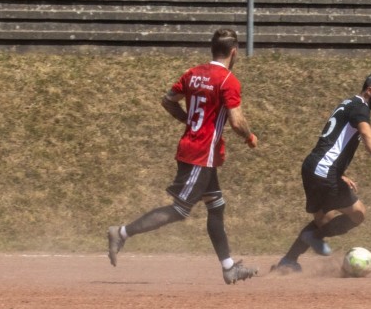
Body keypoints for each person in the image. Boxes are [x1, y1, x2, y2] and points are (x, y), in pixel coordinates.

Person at [107, 28, 259, 285]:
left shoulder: (193, 74)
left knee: (216, 206)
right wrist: (249, 136)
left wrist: (188, 121)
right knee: (179, 210)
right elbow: (236, 121)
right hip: (201, 155)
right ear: (234, 52)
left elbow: (168, 101)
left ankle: (229, 267)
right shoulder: (228, 81)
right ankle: (121, 232)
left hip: (197, 152)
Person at [271, 72, 371, 273]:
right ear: (370, 91)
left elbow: (333, 141)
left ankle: (288, 261)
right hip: (324, 171)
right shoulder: (360, 107)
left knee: (323, 221)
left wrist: (339, 174)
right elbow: (365, 132)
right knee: (358, 214)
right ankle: (314, 238)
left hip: (312, 168)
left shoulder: (347, 104)